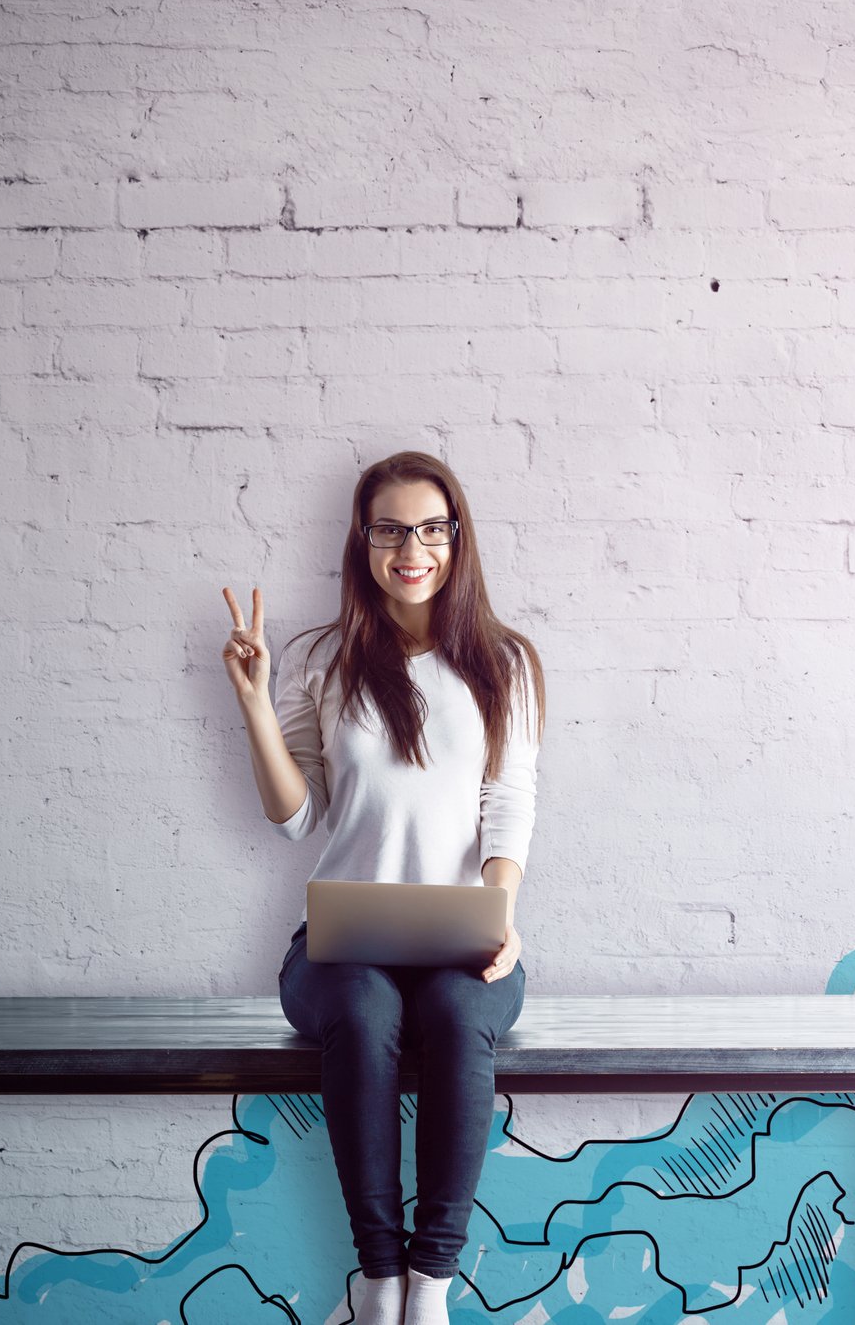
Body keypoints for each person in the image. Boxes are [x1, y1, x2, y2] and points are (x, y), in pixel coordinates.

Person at [219, 450, 545, 1325]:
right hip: (342, 946)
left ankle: (431, 1284)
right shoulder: (325, 660)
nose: (414, 548)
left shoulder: (502, 663)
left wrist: (501, 914)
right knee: (364, 1015)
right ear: (363, 542)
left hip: (465, 933)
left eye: (433, 528)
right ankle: (378, 1281)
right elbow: (294, 815)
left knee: (456, 1015)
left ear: (456, 539)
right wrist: (253, 703)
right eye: (391, 528)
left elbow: (508, 804)